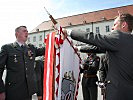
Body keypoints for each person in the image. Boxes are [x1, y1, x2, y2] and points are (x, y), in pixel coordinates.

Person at [63, 13, 133, 100]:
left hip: (117, 93)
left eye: (115, 24)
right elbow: (98, 48)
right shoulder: (127, 41)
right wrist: (79, 48)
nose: (112, 28)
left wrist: (69, 32)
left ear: (124, 25)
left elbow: (95, 38)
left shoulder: (119, 37)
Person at [0, 26, 45, 100]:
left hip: (28, 92)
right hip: (13, 91)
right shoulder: (7, 48)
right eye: (24, 31)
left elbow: (45, 49)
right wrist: (1, 91)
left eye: (27, 31)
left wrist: (57, 38)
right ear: (17, 33)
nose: (27, 32)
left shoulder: (31, 48)